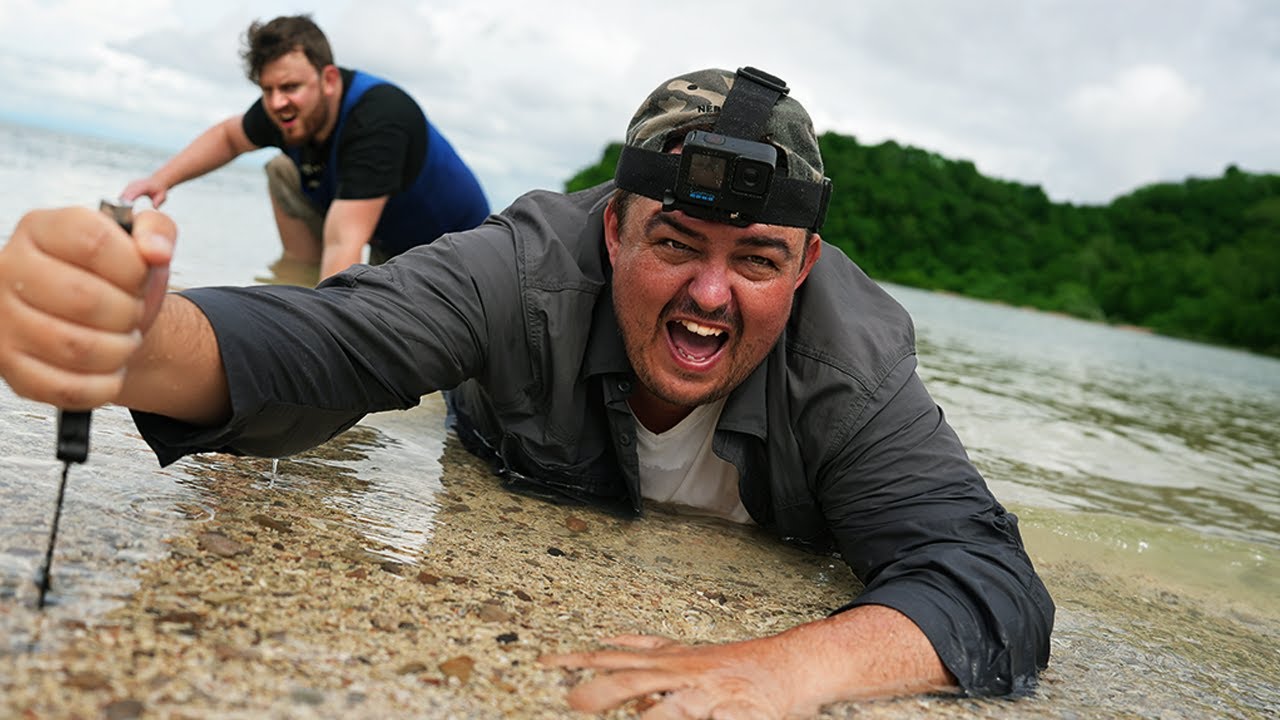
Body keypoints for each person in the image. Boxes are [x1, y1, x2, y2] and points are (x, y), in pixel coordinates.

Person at [0, 65, 1054, 718]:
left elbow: (986, 586)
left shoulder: (849, 367)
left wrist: (783, 670)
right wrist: (133, 334)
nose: (708, 294)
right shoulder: (525, 267)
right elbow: (333, 336)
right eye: (674, 244)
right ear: (610, 226)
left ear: (807, 265)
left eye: (758, 261)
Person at [119, 14, 490, 281]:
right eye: (267, 90)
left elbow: (344, 243)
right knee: (281, 170)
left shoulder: (378, 118)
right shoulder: (286, 110)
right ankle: (298, 278)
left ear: (328, 79)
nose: (278, 102)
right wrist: (161, 180)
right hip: (383, 231)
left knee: (367, 328)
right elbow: (229, 137)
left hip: (456, 256)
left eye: (290, 87)